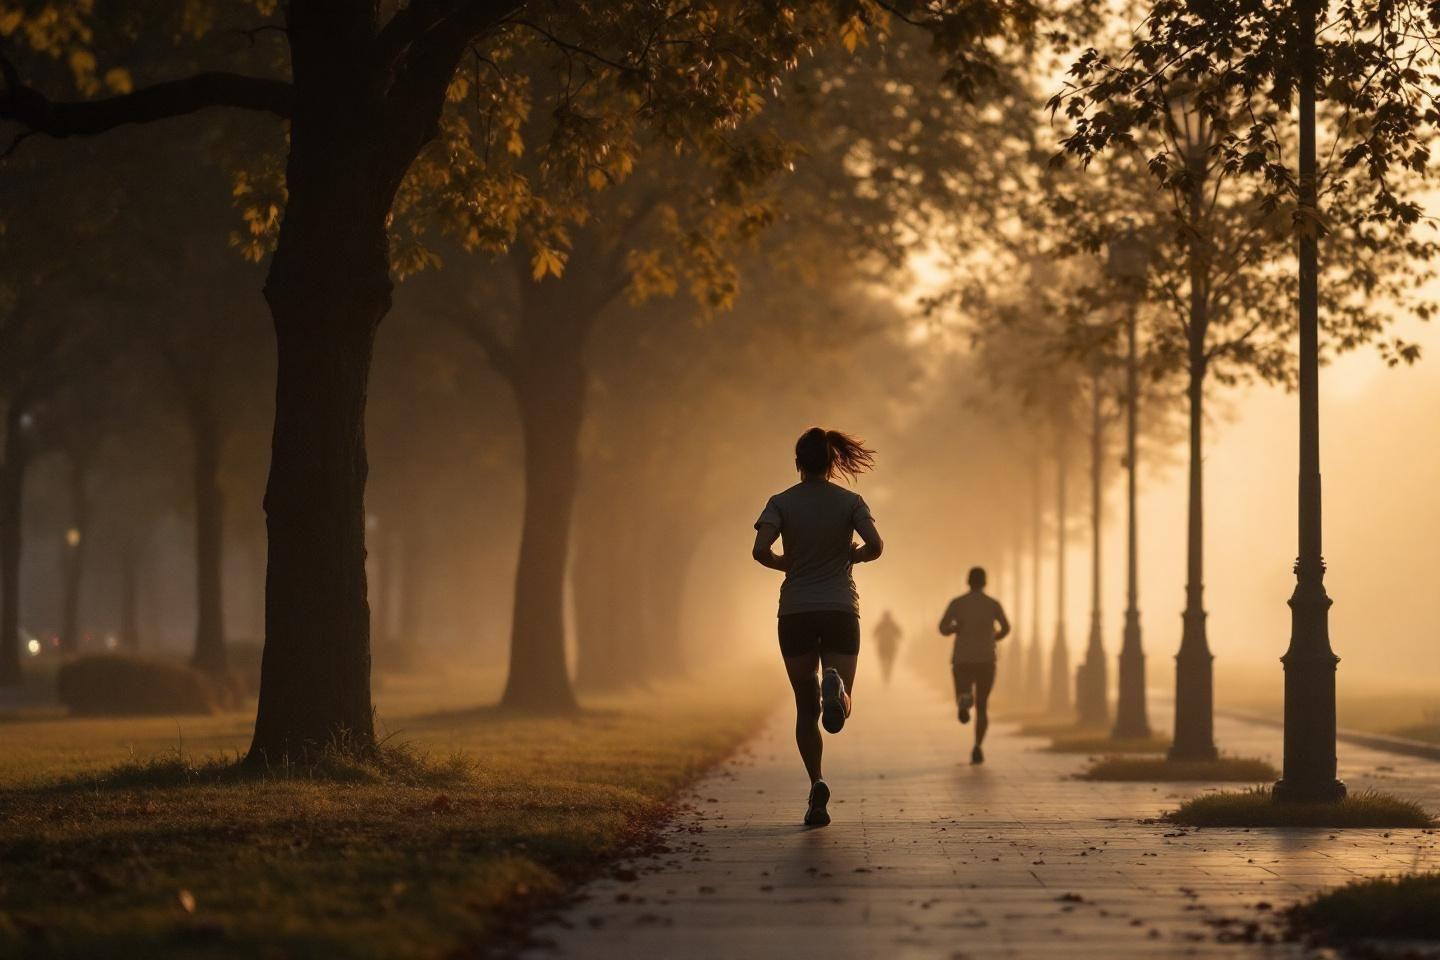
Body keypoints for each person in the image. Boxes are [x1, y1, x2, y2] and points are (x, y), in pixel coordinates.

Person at [753, 427, 883, 827]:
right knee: (840, 707)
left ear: (797, 464)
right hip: (841, 608)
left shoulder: (780, 503)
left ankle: (816, 786)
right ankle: (838, 688)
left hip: (796, 612)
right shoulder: (850, 502)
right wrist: (853, 557)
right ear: (832, 464)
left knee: (805, 709)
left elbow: (760, 551)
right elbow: (876, 546)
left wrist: (783, 563)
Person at [938, 567, 1010, 765]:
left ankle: (964, 700)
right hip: (986, 658)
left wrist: (955, 628)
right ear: (985, 582)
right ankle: (978, 746)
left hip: (962, 658)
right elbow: (1006, 628)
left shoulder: (958, 603)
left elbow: (942, 627)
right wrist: (993, 636)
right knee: (983, 706)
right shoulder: (993, 604)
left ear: (968, 581)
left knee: (964, 691)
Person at [873, 610, 902, 684]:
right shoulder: (889, 624)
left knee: (887, 663)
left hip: (887, 647)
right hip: (886, 647)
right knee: (886, 663)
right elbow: (900, 633)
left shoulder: (886, 624)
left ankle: (886, 675)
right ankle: (886, 675)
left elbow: (874, 634)